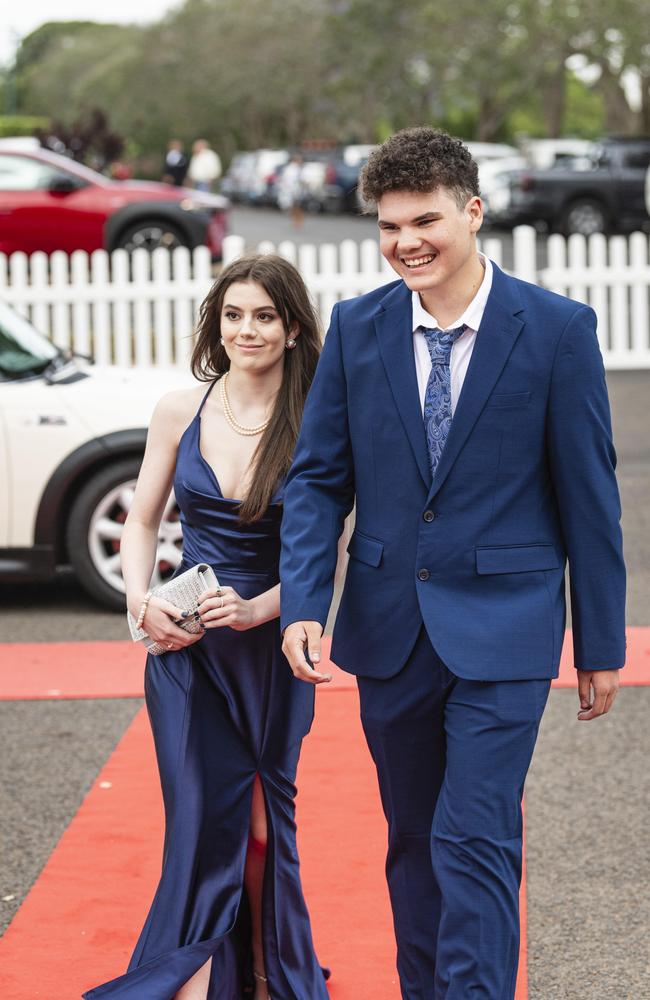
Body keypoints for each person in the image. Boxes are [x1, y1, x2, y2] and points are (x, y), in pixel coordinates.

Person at [280, 127, 625, 999]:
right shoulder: (357, 329)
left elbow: (589, 496)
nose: (407, 242)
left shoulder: (555, 329)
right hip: (389, 629)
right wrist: (303, 603)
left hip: (507, 628)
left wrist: (600, 641)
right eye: (389, 226)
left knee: (475, 838)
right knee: (411, 841)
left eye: (425, 219)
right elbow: (319, 481)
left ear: (474, 211)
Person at [84, 255, 328, 1000]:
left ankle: (262, 967)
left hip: (273, 648)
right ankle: (196, 974)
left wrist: (262, 608)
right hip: (186, 654)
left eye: (263, 316)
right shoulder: (179, 408)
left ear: (291, 327)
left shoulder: (321, 411)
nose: (245, 330)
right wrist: (140, 601)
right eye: (232, 315)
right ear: (215, 323)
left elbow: (337, 553)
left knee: (260, 822)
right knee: (199, 819)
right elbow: (141, 521)